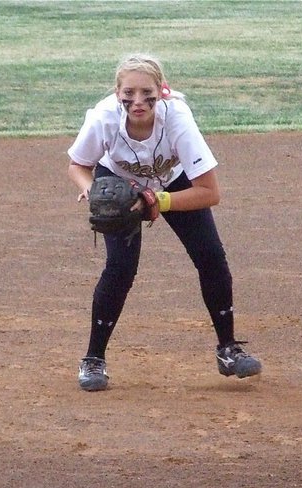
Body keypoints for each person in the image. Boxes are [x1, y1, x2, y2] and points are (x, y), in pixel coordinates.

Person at [67, 53, 262, 391]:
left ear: (163, 92)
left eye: (147, 93)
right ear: (117, 93)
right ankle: (93, 359)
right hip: (118, 183)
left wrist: (159, 201)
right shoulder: (104, 119)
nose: (138, 101)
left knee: (211, 258)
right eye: (129, 93)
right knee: (120, 268)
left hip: (172, 182)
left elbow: (210, 192)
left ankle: (228, 350)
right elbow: (77, 165)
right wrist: (92, 190)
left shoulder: (177, 120)